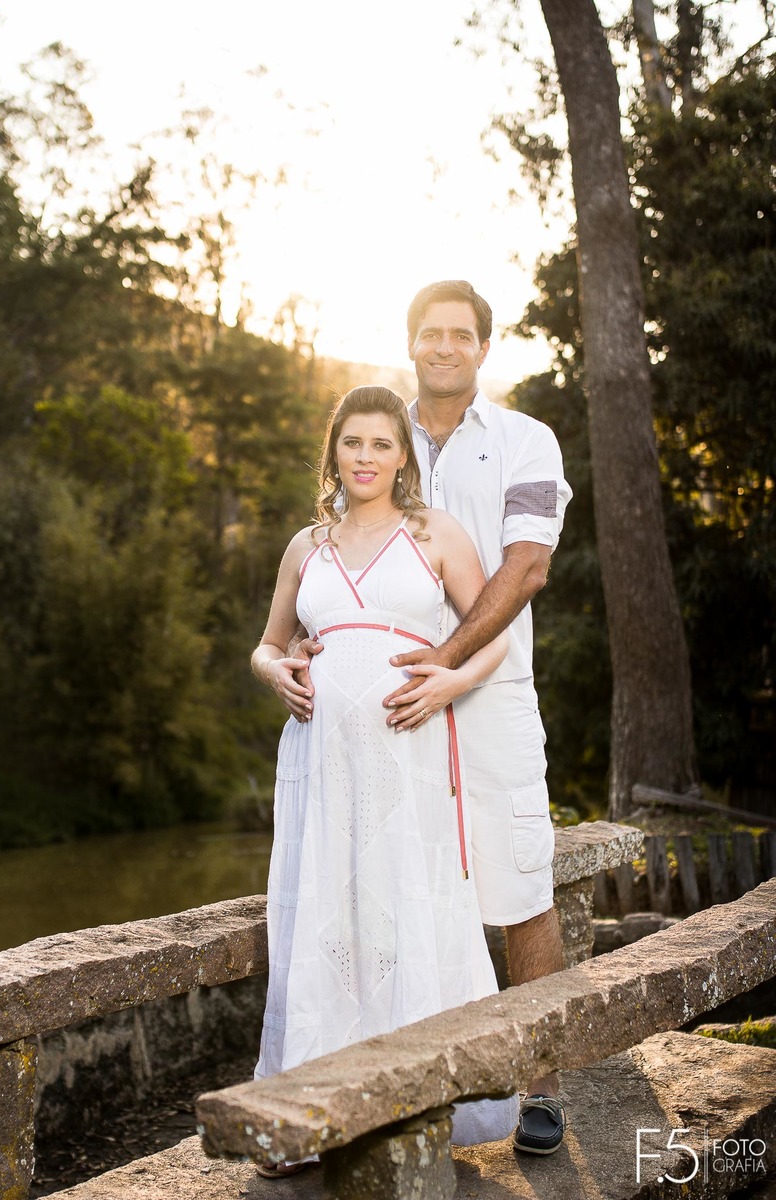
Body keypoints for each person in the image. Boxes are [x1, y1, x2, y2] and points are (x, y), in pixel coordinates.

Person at [250, 385, 518, 1178]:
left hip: (408, 757)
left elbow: (490, 639)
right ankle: (309, 1111)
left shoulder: (435, 534)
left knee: (406, 908)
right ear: (333, 451)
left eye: (381, 444)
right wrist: (277, 674)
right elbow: (266, 646)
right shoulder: (308, 545)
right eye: (351, 443)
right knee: (326, 920)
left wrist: (444, 684)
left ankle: (419, 1103)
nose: (365, 458)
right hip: (318, 761)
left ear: (403, 455)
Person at [384, 280, 573, 1156]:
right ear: (412, 343)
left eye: (462, 334)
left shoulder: (526, 440)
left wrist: (452, 657)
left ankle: (541, 1085)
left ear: (484, 350)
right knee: (408, 893)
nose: (446, 346)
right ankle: (428, 1091)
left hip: (493, 702)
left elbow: (526, 567)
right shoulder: (382, 439)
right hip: (395, 706)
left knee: (520, 889)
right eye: (432, 333)